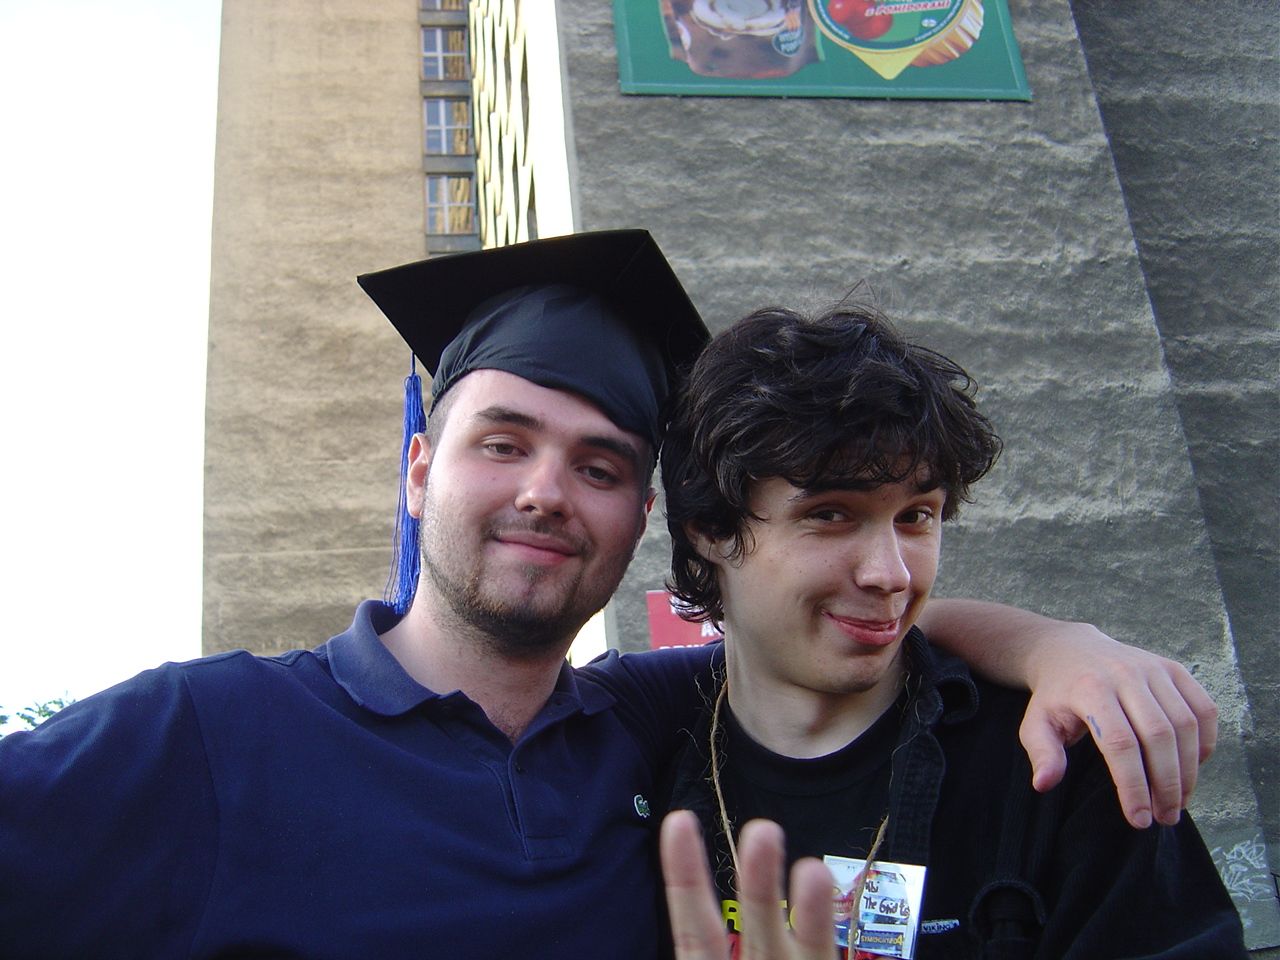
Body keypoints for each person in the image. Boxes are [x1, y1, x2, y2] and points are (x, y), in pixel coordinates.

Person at [0, 233, 1217, 957]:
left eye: (598, 466)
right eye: (500, 443)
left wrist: (1054, 645)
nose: (545, 492)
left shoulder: (642, 723)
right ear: (418, 469)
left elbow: (836, 629)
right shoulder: (205, 735)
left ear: (644, 514)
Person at [656, 304, 1246, 958]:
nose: (891, 574)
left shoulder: (1055, 766)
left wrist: (1055, 644)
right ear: (710, 529)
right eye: (830, 514)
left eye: (916, 516)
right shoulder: (639, 757)